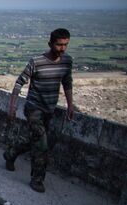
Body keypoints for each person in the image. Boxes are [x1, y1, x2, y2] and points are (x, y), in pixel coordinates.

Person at [4, 28, 75, 193]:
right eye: (59, 45)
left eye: (65, 45)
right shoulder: (36, 62)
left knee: (37, 141)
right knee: (42, 145)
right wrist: (12, 106)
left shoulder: (67, 61)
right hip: (34, 108)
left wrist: (70, 105)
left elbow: (67, 82)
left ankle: (11, 153)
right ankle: (37, 180)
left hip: (50, 108)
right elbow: (19, 82)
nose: (62, 48)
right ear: (50, 44)